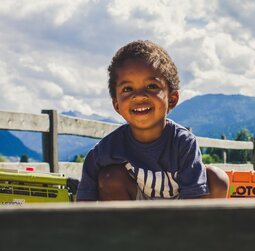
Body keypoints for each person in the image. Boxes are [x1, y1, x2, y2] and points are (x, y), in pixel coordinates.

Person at [77, 40, 229, 201]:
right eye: (127, 89)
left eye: (151, 86)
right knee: (109, 177)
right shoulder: (107, 149)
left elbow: (194, 197)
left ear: (172, 99)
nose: (139, 95)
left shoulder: (182, 143)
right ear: (116, 105)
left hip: (181, 213)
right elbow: (85, 200)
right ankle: (125, 227)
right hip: (136, 213)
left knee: (216, 178)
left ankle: (208, 226)